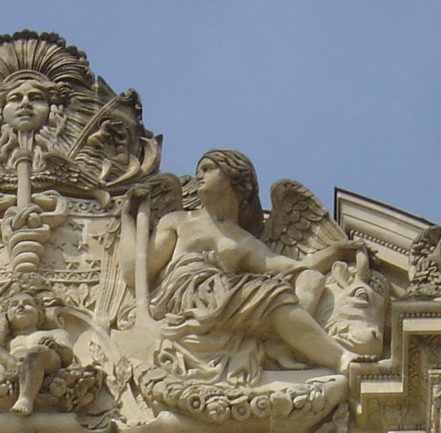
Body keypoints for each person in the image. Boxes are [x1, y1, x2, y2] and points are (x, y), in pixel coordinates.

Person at [136, 149, 371, 382]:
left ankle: (286, 343)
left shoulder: (244, 240)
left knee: (310, 278)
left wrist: (336, 251)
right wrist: (127, 220)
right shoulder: (178, 221)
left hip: (223, 293)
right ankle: (336, 356)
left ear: (236, 180)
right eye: (199, 170)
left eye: (208, 169)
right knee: (274, 296)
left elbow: (291, 267)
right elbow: (137, 272)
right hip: (188, 292)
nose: (200, 175)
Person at [0, 285, 75, 416]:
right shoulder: (8, 343)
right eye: (14, 305)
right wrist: (1, 328)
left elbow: (67, 357)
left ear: (39, 313)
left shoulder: (55, 332)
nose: (20, 307)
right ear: (7, 316)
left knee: (36, 352)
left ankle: (25, 398)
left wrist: (56, 347)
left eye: (27, 304)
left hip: (45, 362)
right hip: (14, 366)